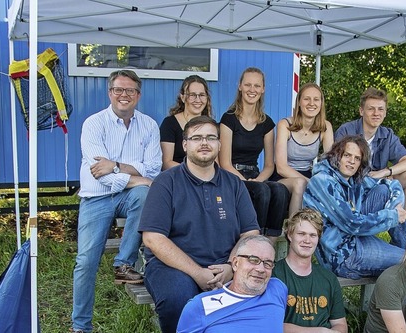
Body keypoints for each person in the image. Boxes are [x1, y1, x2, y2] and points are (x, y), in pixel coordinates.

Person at [139, 116, 261, 333]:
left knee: (266, 290)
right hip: (173, 267)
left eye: (210, 137)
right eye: (197, 138)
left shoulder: (234, 184)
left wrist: (231, 267)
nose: (204, 143)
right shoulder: (166, 182)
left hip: (225, 264)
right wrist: (197, 272)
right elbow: (152, 238)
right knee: (179, 299)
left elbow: (250, 233)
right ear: (185, 145)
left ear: (219, 144)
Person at [72, 69, 162, 333]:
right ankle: (80, 327)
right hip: (95, 197)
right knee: (86, 262)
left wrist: (117, 166)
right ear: (110, 93)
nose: (124, 95)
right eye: (119, 90)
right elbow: (98, 173)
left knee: (145, 194)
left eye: (130, 90)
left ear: (138, 94)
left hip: (129, 197)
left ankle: (124, 263)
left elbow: (154, 169)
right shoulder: (93, 123)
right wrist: (136, 177)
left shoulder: (149, 125)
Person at [303, 135, 406, 279]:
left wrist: (394, 209)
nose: (351, 162)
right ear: (337, 155)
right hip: (342, 255)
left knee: (383, 191)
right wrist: (393, 216)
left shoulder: (354, 179)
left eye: (357, 158)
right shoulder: (322, 181)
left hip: (356, 238)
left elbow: (392, 185)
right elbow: (351, 223)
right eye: (347, 155)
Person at [219, 67, 289, 239]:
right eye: (248, 85)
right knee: (262, 191)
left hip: (255, 174)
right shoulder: (228, 119)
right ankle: (253, 240)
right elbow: (224, 163)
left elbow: (269, 165)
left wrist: (257, 180)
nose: (252, 90)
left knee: (280, 190)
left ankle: (269, 243)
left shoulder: (267, 123)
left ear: (263, 89)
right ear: (240, 87)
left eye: (257, 86)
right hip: (231, 174)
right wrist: (247, 181)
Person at [335, 87, 406, 223]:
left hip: (377, 180)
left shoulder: (387, 135)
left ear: (385, 112)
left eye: (381, 109)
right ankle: (400, 236)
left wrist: (385, 172)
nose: (376, 113)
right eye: (371, 109)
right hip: (353, 188)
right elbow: (338, 166)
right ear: (361, 111)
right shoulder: (346, 131)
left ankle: (405, 230)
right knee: (384, 190)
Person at [177, 235, 287, 333]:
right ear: (235, 263)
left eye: (268, 263)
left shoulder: (277, 289)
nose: (261, 269)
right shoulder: (201, 305)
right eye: (253, 260)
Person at [272, 208, 348, 333]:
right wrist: (320, 331)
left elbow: (340, 324)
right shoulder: (275, 275)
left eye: (313, 235)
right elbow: (271, 324)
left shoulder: (328, 278)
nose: (307, 240)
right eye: (301, 234)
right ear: (290, 235)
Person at [272, 83, 333, 217]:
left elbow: (331, 163)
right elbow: (281, 167)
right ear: (299, 102)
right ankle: (293, 229)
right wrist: (311, 182)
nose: (311, 103)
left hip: (308, 173)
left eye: (316, 99)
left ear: (321, 103)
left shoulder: (326, 126)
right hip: (283, 177)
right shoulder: (285, 125)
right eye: (307, 99)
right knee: (300, 183)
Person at [159, 75, 213, 170]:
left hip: (207, 178)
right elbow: (166, 163)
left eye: (201, 95)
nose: (198, 100)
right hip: (178, 176)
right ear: (183, 97)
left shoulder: (211, 126)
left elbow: (215, 161)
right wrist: (194, 172)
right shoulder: (169, 124)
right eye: (192, 95)